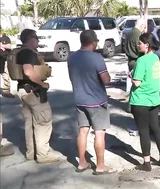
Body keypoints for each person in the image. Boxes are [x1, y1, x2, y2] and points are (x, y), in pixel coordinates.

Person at [68, 30, 113, 175]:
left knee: (83, 131)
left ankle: (82, 163)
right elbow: (106, 80)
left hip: (80, 100)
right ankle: (100, 166)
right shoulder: (96, 58)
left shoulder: (71, 57)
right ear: (93, 42)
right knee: (99, 133)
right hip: (96, 101)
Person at [16, 29, 58, 163]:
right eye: (36, 39)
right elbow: (28, 71)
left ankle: (31, 152)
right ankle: (43, 154)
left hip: (23, 90)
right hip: (33, 92)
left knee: (30, 123)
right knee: (43, 121)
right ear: (31, 39)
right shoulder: (28, 53)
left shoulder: (20, 52)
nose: (38, 41)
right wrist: (42, 84)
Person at [129, 33, 160, 171]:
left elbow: (137, 83)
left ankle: (146, 162)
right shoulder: (155, 58)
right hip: (154, 99)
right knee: (156, 128)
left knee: (144, 131)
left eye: (140, 43)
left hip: (141, 101)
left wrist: (131, 76)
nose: (138, 45)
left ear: (147, 45)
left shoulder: (142, 60)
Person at [123, 18, 146, 93]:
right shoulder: (137, 34)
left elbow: (124, 46)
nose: (144, 29)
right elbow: (140, 48)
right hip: (137, 61)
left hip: (130, 61)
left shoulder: (129, 32)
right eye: (144, 27)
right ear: (141, 25)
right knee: (138, 86)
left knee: (133, 84)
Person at [0, 25, 14, 98]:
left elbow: (9, 46)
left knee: (5, 75)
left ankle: (6, 91)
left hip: (4, 59)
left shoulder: (5, 37)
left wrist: (2, 45)